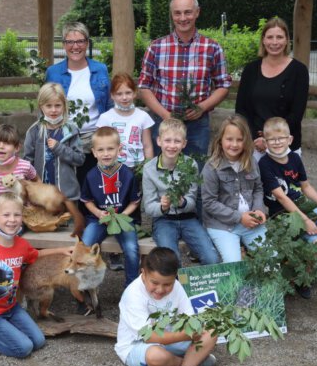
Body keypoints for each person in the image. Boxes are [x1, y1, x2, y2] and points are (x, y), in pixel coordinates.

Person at [0, 192, 72, 358]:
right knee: (24, 348)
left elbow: (36, 255)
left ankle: (6, 329)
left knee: (39, 341)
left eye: (17, 215)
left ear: (22, 217)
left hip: (10, 307)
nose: (12, 220)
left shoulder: (21, 244)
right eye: (6, 215)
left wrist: (61, 250)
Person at [139, 0, 232, 160]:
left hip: (197, 124)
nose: (183, 18)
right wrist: (165, 114)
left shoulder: (212, 48)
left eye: (188, 12)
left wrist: (202, 107)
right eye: (177, 13)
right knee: (162, 174)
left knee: (195, 173)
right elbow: (144, 86)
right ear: (172, 14)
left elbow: (223, 85)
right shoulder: (156, 47)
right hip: (164, 122)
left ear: (197, 12)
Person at [115, 248, 219, 366]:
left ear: (175, 277)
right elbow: (149, 336)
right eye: (155, 283)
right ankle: (193, 361)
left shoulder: (176, 286)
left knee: (212, 330)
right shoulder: (133, 294)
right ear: (143, 273)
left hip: (169, 337)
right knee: (156, 357)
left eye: (167, 284)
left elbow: (189, 317)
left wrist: (195, 328)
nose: (160, 289)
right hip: (137, 346)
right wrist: (187, 335)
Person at [258, 117, 317, 299]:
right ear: (265, 142)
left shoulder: (295, 158)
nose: (277, 142)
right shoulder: (264, 163)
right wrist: (305, 221)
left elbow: (306, 187)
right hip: (284, 214)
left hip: (303, 206)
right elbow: (282, 198)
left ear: (290, 139)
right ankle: (303, 278)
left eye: (281, 138)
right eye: (272, 139)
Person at [142, 119, 219, 266]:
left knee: (212, 258)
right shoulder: (149, 169)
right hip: (164, 220)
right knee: (172, 262)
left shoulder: (190, 164)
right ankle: (175, 287)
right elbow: (149, 207)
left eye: (177, 141)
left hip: (188, 219)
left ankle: (202, 287)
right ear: (159, 141)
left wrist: (182, 202)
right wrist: (162, 207)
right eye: (167, 140)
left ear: (184, 143)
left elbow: (192, 200)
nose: (172, 146)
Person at [45, 22, 112, 184]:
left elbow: (109, 104)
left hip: (94, 139)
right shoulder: (53, 72)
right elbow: (46, 104)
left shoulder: (100, 69)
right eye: (70, 42)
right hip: (65, 139)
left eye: (80, 41)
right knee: (66, 186)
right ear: (64, 45)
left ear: (87, 43)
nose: (75, 46)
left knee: (92, 186)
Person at [235, 17, 309, 161]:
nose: (274, 42)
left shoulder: (299, 71)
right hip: (255, 145)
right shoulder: (250, 70)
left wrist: (271, 139)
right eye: (270, 37)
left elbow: (297, 112)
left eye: (279, 37)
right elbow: (241, 109)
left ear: (287, 40)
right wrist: (257, 138)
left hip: (285, 146)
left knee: (286, 184)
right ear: (263, 40)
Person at [201, 115, 267, 263]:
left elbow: (258, 189)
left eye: (239, 139)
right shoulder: (212, 167)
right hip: (223, 226)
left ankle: (263, 286)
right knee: (233, 263)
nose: (234, 144)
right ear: (220, 140)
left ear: (246, 141)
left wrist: (258, 209)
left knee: (271, 259)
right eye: (229, 139)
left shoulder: (251, 162)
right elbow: (209, 202)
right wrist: (239, 217)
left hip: (251, 221)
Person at [80, 127, 140, 286]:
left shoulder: (127, 174)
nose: (106, 153)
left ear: (119, 149)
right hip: (97, 219)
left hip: (123, 219)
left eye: (110, 149)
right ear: (94, 152)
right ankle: (86, 286)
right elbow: (86, 200)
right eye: (101, 150)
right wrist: (99, 213)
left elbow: (135, 202)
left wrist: (123, 216)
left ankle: (132, 287)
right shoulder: (91, 175)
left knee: (132, 249)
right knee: (86, 246)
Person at [23, 83, 84, 201]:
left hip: (67, 196)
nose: (53, 110)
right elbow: (27, 163)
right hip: (41, 195)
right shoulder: (34, 131)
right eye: (48, 106)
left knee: (68, 220)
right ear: (41, 106)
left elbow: (79, 159)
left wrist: (59, 148)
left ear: (64, 106)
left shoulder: (71, 130)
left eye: (58, 105)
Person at [97, 73, 154, 169]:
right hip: (113, 168)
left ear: (135, 93)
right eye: (119, 94)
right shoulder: (105, 118)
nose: (124, 97)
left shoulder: (143, 116)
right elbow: (100, 146)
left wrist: (149, 168)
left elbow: (147, 145)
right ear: (112, 95)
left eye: (128, 92)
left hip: (137, 167)